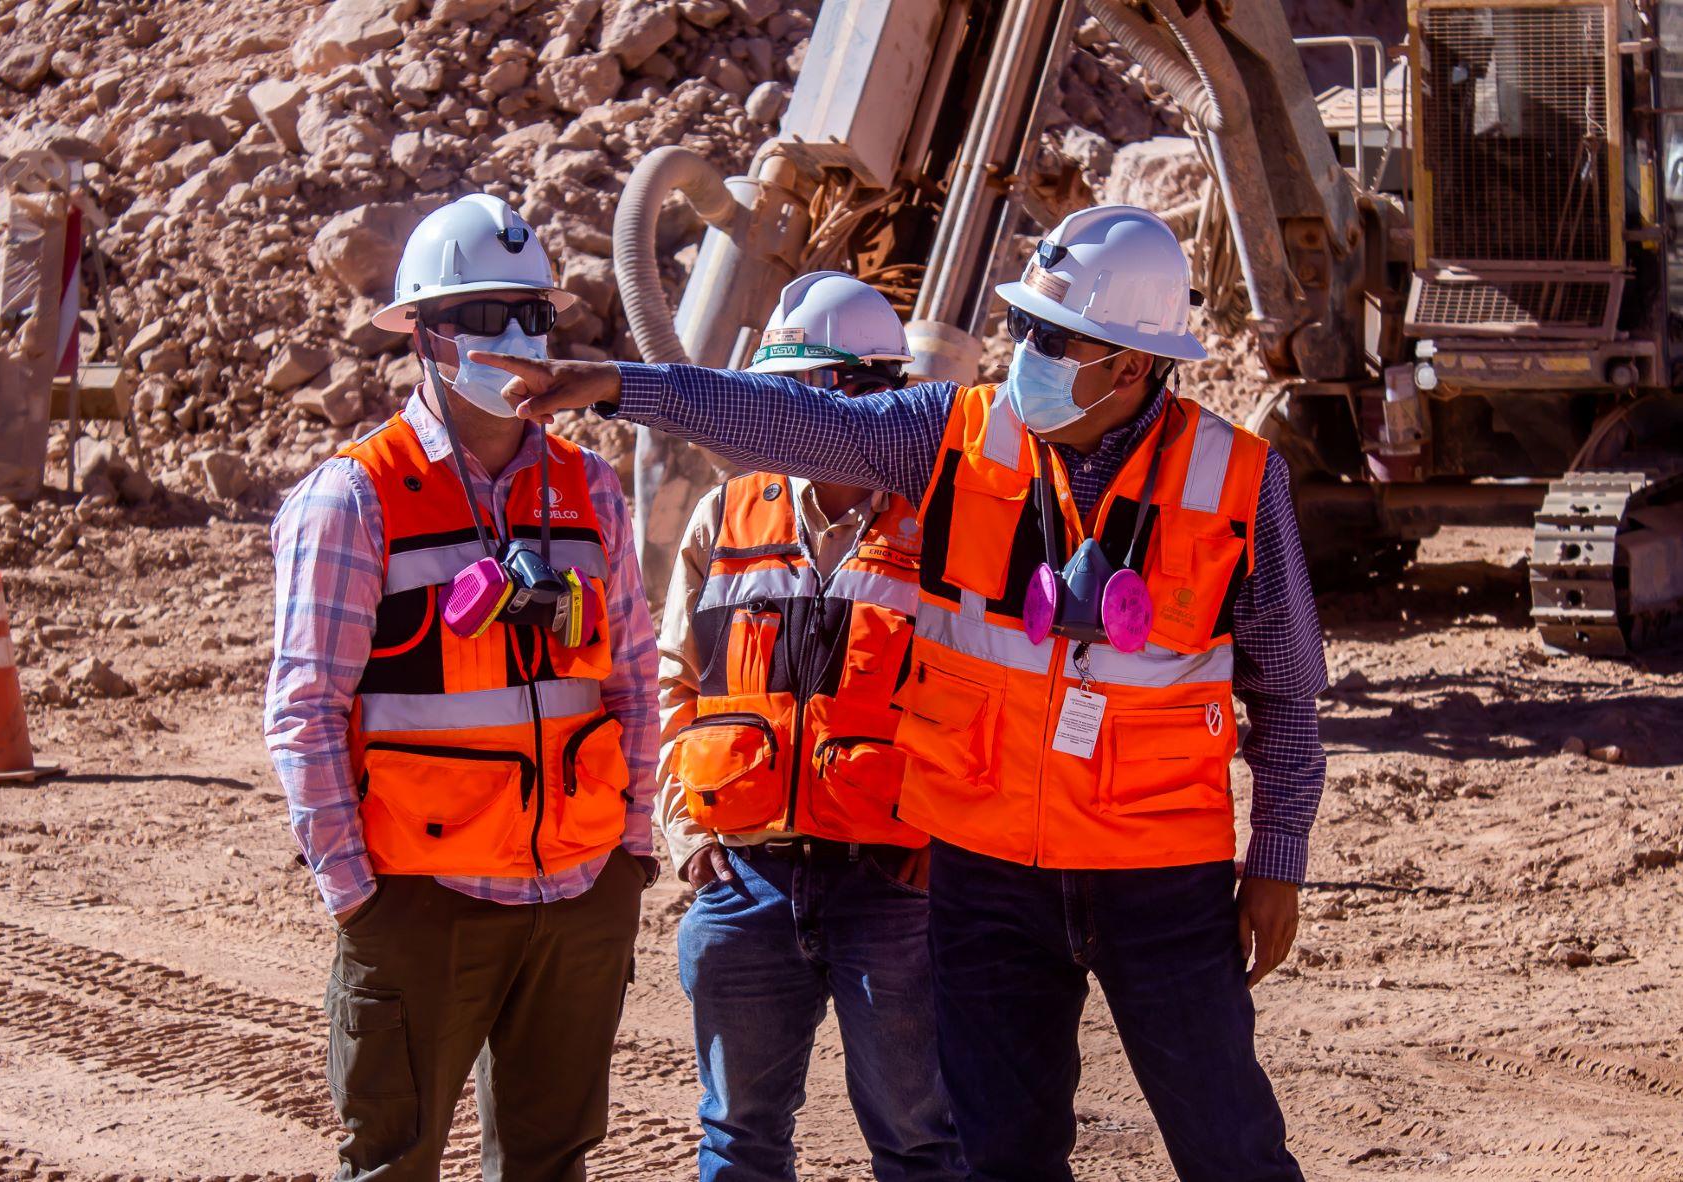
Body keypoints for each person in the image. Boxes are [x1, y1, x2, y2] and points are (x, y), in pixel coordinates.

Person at [475, 205, 1327, 1182]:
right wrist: (625, 387)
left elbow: (1288, 691)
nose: (1022, 351)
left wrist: (1278, 859)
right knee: (1003, 1162)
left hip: (1159, 876)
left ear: (1130, 364)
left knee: (1232, 1152)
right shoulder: (955, 434)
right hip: (989, 880)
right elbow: (803, 423)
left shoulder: (1235, 477)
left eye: (1049, 337)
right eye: (1021, 325)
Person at [263, 193, 659, 1182]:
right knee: (394, 1163)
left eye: (532, 314)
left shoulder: (589, 488)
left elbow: (632, 678)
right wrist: (358, 898)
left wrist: (630, 851)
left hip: (580, 889)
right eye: (482, 314)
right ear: (423, 334)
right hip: (421, 898)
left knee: (550, 1161)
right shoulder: (355, 496)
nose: (514, 338)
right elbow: (305, 710)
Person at [659, 272, 966, 1182]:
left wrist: (946, 846)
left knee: (920, 1145)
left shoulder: (946, 525)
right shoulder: (727, 513)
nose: (769, 420)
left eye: (787, 398)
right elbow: (673, 681)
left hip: (892, 888)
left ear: (856, 395)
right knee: (739, 1140)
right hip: (745, 877)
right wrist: (687, 833)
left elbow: (984, 704)